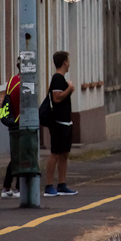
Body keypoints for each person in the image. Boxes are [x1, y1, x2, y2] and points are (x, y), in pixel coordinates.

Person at [44, 51, 77, 196]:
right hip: (58, 122)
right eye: (68, 61)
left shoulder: (61, 79)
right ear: (64, 62)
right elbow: (56, 98)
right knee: (55, 154)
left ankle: (62, 184)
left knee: (64, 153)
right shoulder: (57, 78)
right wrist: (70, 88)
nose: (69, 64)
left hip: (66, 121)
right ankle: (49, 185)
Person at [1, 60, 21, 198]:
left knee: (15, 157)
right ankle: (19, 187)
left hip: (13, 122)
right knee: (22, 157)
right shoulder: (25, 84)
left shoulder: (12, 81)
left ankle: (7, 187)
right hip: (21, 123)